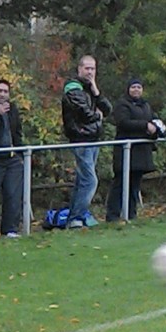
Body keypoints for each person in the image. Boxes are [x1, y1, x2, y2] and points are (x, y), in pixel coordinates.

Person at [61, 55, 112, 229]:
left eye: (93, 69)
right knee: (90, 180)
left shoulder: (90, 89)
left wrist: (96, 90)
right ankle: (76, 217)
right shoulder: (73, 88)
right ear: (79, 69)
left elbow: (108, 109)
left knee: (82, 180)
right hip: (80, 138)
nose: (90, 72)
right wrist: (98, 115)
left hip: (93, 138)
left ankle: (75, 217)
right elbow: (85, 113)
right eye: (87, 68)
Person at [105, 78, 161, 222]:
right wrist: (145, 126)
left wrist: (157, 130)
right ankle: (113, 216)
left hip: (141, 153)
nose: (136, 90)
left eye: (139, 87)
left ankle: (131, 214)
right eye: (133, 87)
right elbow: (123, 123)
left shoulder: (146, 105)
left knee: (135, 185)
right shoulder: (122, 105)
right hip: (125, 151)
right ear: (128, 89)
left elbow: (154, 121)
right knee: (120, 184)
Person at [0, 79, 24, 238]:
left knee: (12, 194)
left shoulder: (13, 110)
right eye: (0, 91)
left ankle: (10, 229)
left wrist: (20, 153)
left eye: (5, 92)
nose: (3, 94)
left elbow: (17, 131)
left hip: (12, 157)